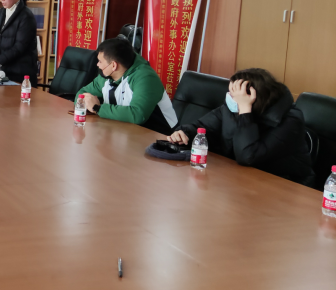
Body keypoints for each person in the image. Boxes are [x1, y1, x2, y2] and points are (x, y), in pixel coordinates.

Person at [168, 68, 315, 187]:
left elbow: (247, 156)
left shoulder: (290, 121)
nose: (229, 97)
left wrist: (245, 111)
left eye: (234, 95)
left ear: (252, 98)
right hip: (242, 180)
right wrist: (184, 132)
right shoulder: (231, 108)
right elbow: (201, 127)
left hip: (285, 188)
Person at [76, 37, 177, 135]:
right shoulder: (106, 75)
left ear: (113, 65)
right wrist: (86, 102)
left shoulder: (146, 78)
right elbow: (81, 95)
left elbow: (137, 115)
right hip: (124, 132)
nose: (97, 65)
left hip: (161, 137)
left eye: (100, 61)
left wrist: (97, 108)